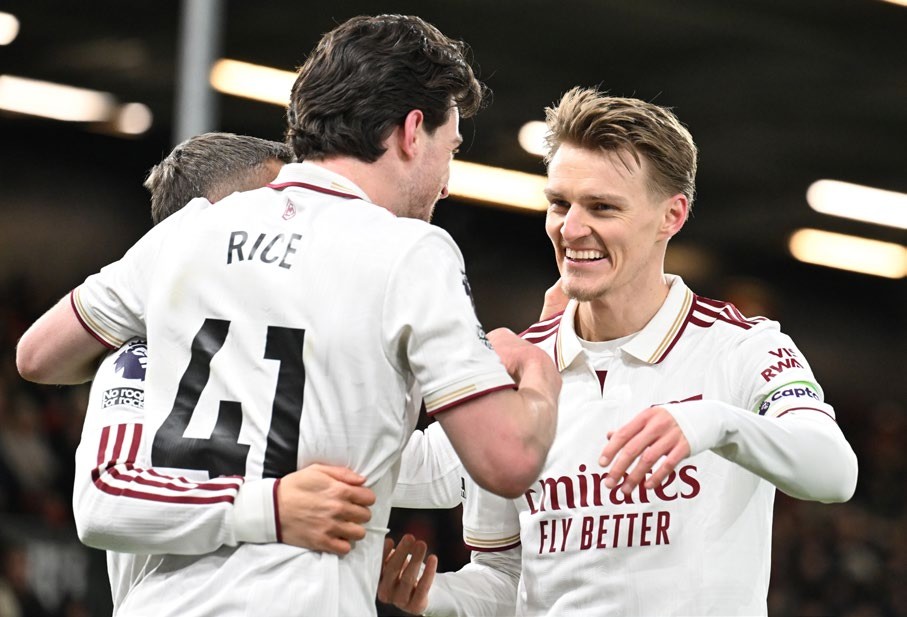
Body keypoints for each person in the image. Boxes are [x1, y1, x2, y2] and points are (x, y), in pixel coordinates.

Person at [16, 14, 561, 617]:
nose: (447, 181)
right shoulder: (407, 251)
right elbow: (506, 461)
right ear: (412, 132)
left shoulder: (190, 230)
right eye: (449, 149)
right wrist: (539, 369)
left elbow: (38, 357)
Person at [378, 87, 858, 616]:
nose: (571, 228)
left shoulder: (741, 347)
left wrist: (713, 424)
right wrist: (432, 596)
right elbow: (503, 576)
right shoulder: (520, 369)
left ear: (671, 216)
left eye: (602, 207)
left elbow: (834, 473)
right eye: (560, 204)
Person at [72, 132, 383, 614]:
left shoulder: (278, 361)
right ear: (218, 223)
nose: (296, 216)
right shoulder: (141, 356)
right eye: (278, 198)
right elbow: (103, 499)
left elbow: (397, 468)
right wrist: (269, 507)